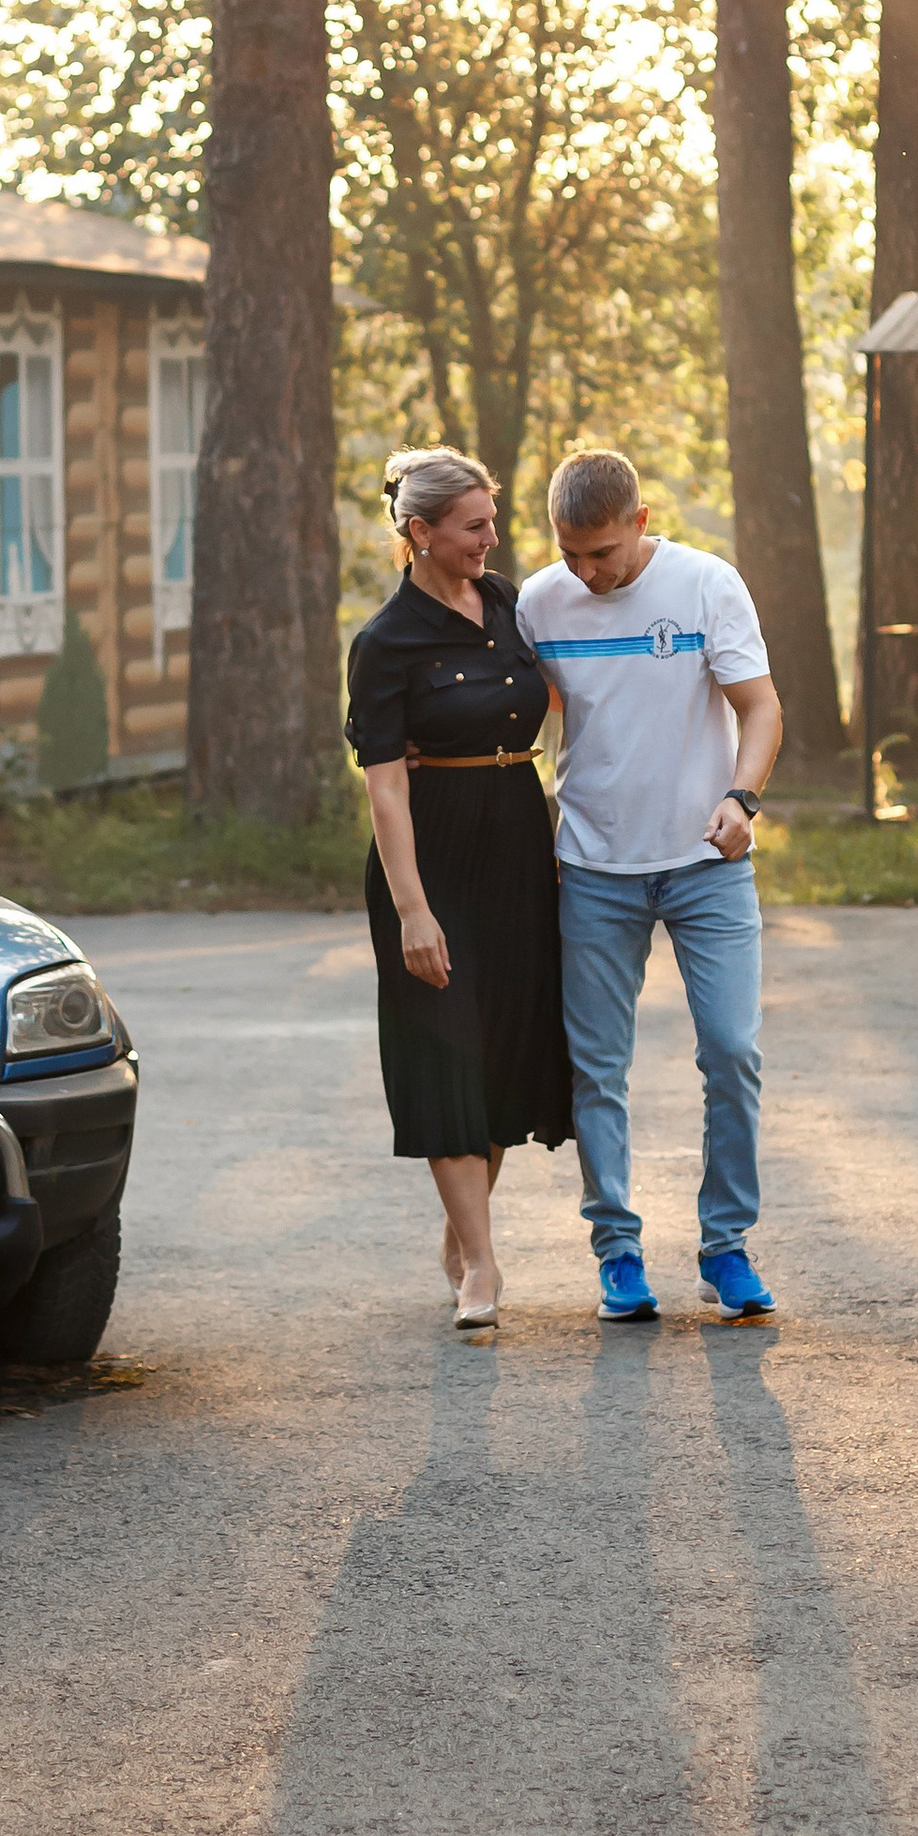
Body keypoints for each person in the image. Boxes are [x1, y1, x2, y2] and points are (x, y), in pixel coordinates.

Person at [515, 449, 785, 1325]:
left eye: (600, 551)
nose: (585, 572)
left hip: (706, 864)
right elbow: (530, 721)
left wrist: (742, 799)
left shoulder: (708, 585)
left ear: (639, 520)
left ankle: (726, 1247)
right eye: (569, 552)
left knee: (733, 1052)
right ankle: (618, 1252)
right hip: (592, 867)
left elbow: (761, 706)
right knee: (596, 1068)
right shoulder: (537, 601)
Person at [345, 446, 573, 1331]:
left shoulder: (513, 605)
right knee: (443, 1050)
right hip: (431, 858)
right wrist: (411, 910)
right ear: (421, 532)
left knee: (505, 1049)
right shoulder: (384, 643)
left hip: (519, 843)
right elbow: (385, 786)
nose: (491, 539)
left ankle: (461, 1228)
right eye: (473, 526)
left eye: (490, 521)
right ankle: (482, 1264)